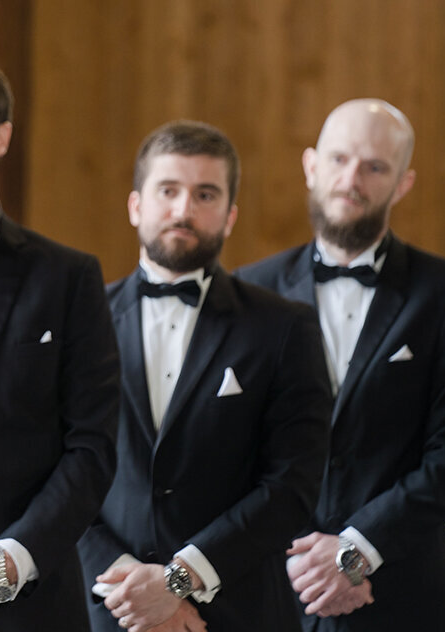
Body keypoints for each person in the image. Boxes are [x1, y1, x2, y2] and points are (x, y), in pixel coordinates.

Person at [235, 99, 445, 631]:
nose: (351, 179)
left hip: (401, 596)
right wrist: (306, 563)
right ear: (311, 165)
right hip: (273, 596)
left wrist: (353, 553)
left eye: (375, 167)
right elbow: (233, 452)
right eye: (339, 159)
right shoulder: (248, 290)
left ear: (403, 183)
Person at [78, 121, 332, 632]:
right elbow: (58, 471)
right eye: (168, 191)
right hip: (108, 609)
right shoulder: (80, 320)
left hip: (238, 611)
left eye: (205, 194)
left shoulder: (285, 327)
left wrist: (177, 582)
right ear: (136, 205)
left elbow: (293, 484)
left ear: (230, 215)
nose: (183, 210)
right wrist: (132, 583)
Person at [0, 56, 119, 631]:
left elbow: (91, 448)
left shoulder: (67, 278)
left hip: (30, 605)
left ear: (2, 136)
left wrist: (7, 561)